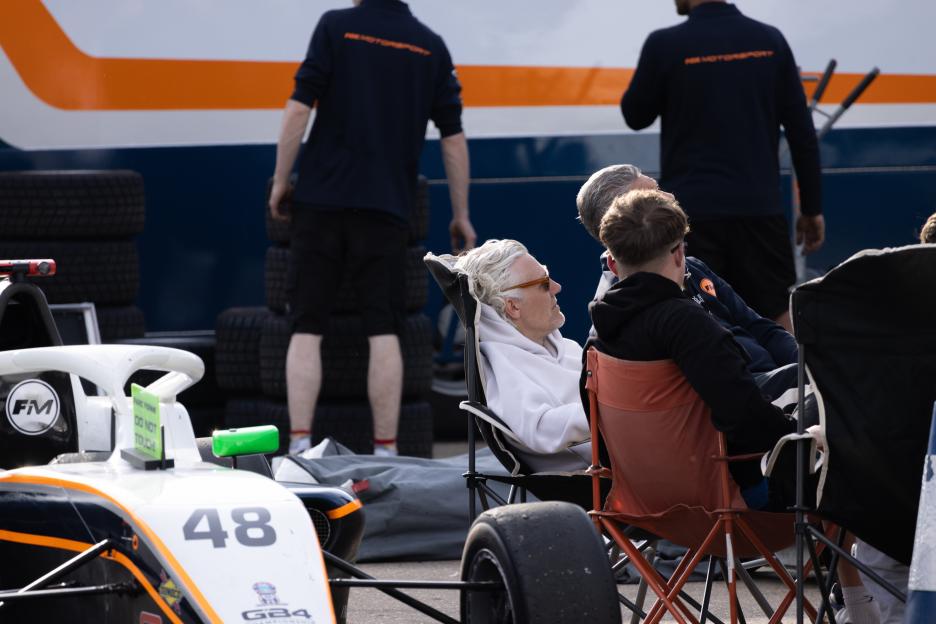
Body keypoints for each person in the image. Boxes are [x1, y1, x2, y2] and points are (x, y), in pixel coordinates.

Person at [591, 189, 880, 623]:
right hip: (735, 498)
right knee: (858, 435)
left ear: (612, 264)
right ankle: (865, 604)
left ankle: (859, 603)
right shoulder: (684, 323)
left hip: (644, 501)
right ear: (679, 253)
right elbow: (743, 414)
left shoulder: (598, 341)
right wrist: (799, 433)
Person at [269, 0, 476, 456]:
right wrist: (460, 213)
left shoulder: (335, 27)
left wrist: (283, 180)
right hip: (386, 209)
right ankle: (386, 449)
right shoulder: (430, 46)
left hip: (321, 201)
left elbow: (299, 110)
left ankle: (301, 446)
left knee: (306, 325)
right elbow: (453, 139)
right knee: (384, 328)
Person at [621, 0, 823, 332]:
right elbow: (802, 133)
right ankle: (794, 382)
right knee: (776, 314)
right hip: (759, 209)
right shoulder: (769, 41)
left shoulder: (665, 44)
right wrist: (812, 208)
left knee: (698, 316)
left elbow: (635, 115)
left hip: (691, 215)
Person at [577, 163, 798, 401]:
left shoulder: (692, 266)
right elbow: (724, 395)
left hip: (769, 383)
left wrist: (804, 360)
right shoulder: (622, 307)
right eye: (655, 194)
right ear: (628, 215)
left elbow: (760, 327)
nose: (670, 196)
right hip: (745, 398)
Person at [451, 239, 590, 472]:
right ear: (513, 306)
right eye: (544, 283)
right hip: (598, 476)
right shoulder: (504, 364)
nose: (557, 287)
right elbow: (540, 429)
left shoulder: (564, 347)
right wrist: (613, 408)